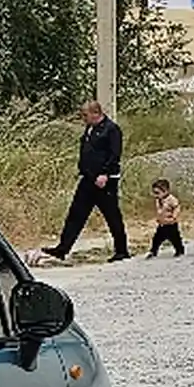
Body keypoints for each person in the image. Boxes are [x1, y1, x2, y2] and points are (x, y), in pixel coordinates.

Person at [34, 100, 130, 265]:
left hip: (104, 180)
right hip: (88, 179)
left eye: (85, 115)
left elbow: (115, 154)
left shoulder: (111, 129)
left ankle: (122, 250)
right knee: (76, 214)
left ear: (96, 113)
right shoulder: (90, 128)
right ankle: (63, 248)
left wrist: (105, 173)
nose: (83, 118)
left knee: (112, 215)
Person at [149, 178, 185, 258]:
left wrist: (174, 216)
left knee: (175, 238)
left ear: (165, 191)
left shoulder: (171, 199)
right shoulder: (158, 200)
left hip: (171, 223)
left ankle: (179, 250)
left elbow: (177, 207)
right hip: (162, 223)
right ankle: (153, 251)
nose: (156, 195)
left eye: (157, 193)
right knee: (156, 238)